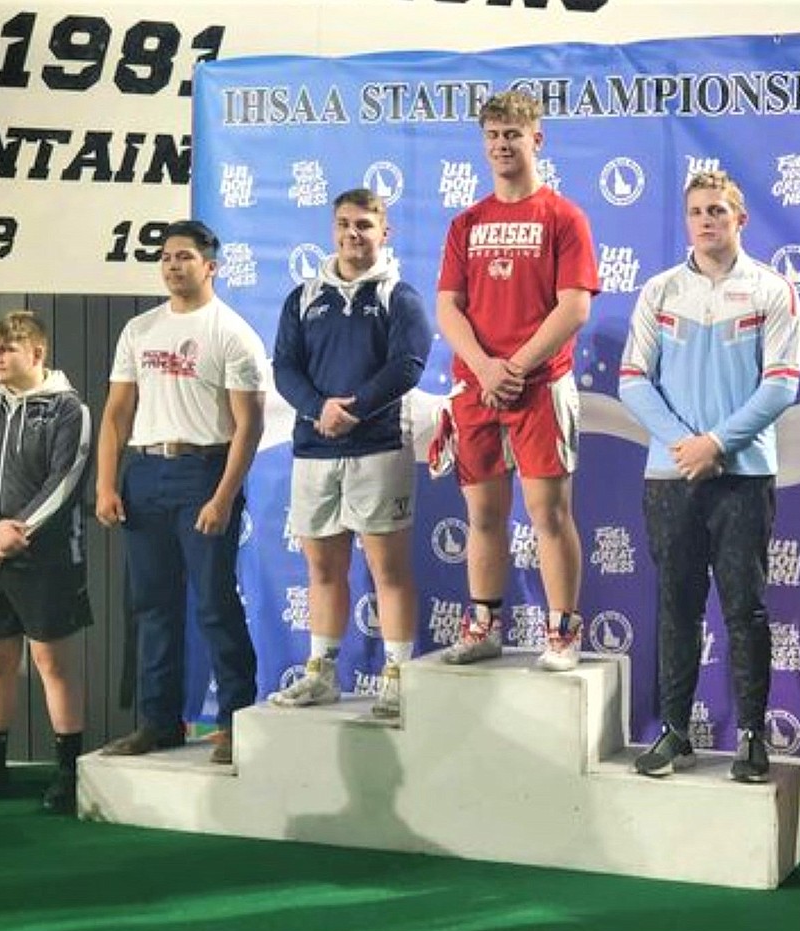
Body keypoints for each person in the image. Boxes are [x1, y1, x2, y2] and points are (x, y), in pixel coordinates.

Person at [618, 169, 800, 783]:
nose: (706, 220)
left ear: (740, 219)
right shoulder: (659, 291)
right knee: (677, 607)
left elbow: (781, 384)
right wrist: (684, 447)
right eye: (696, 210)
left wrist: (717, 446)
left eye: (718, 210)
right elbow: (632, 381)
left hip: (744, 476)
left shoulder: (772, 290)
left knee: (745, 609)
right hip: (671, 474)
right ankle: (675, 732)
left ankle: (752, 736)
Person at [433, 89, 599, 672]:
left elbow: (574, 307)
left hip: (540, 387)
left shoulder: (564, 216)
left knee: (548, 513)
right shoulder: (466, 223)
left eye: (513, 134)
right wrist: (484, 368)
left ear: (537, 139)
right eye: (493, 135)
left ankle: (562, 631)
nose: (503, 145)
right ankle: (484, 625)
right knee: (482, 515)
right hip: (477, 387)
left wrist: (516, 367)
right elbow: (448, 307)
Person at [95, 219, 267, 766]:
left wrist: (221, 498)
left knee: (214, 604)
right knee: (153, 607)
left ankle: (235, 722)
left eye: (185, 257)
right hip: (144, 476)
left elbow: (249, 426)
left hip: (203, 474)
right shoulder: (139, 331)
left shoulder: (232, 332)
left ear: (210, 266)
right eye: (167, 257)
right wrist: (105, 483)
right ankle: (158, 722)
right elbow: (116, 414)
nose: (173, 265)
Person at [265, 188, 431, 719]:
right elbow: (285, 367)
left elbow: (407, 364)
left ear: (385, 233)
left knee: (389, 570)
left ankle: (398, 677)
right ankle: (321, 674)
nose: (352, 234)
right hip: (314, 449)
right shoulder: (303, 297)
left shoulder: (398, 296)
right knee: (322, 569)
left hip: (378, 447)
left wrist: (354, 409)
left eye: (363, 225)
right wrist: (320, 409)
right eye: (343, 224)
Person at [0, 310, 92, 815]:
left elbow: (65, 479)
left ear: (37, 353)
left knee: (54, 665)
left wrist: (15, 533)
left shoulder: (69, 409)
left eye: (8, 349)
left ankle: (69, 775)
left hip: (47, 561)